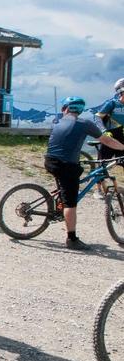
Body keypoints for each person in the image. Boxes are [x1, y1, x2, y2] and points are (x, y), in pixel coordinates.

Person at [44, 96, 124, 250]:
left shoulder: (57, 121)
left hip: (50, 160)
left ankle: (60, 201)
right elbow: (107, 141)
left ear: (65, 108)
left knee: (72, 175)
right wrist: (123, 147)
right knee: (70, 203)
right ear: (80, 110)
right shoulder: (84, 123)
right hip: (65, 165)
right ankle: (72, 239)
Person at [95, 83, 124, 162]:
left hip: (122, 138)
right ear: (121, 92)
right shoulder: (112, 103)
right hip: (110, 137)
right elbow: (98, 117)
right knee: (103, 163)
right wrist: (103, 131)